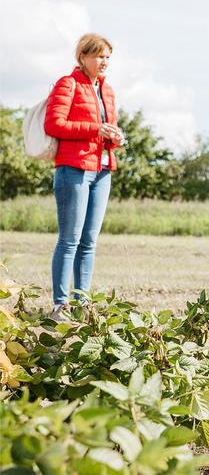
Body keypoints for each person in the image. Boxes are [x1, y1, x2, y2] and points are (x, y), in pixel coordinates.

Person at [44, 33, 125, 319]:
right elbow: (55, 124)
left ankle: (82, 304)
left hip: (102, 171)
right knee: (70, 239)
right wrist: (95, 129)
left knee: (89, 241)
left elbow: (107, 128)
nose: (105, 62)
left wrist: (116, 136)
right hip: (74, 169)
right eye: (99, 56)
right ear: (83, 57)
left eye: (107, 57)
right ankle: (60, 305)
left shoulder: (108, 90)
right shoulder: (68, 84)